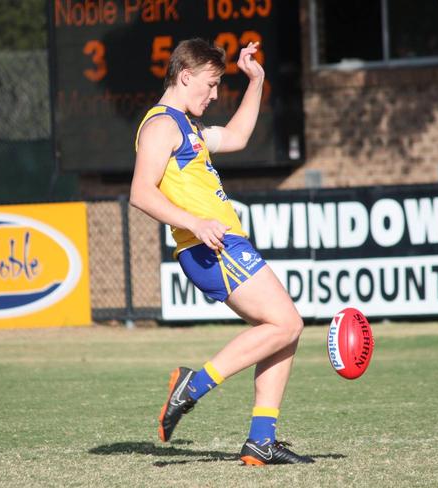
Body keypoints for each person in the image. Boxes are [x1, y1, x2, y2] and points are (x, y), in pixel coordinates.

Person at [130, 38, 312, 465]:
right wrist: (193, 222)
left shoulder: (186, 127)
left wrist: (257, 80)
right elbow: (140, 192)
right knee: (287, 322)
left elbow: (237, 135)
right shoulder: (162, 125)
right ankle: (192, 386)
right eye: (210, 85)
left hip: (220, 242)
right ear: (185, 75)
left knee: (281, 330)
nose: (214, 95)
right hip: (210, 244)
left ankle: (260, 440)